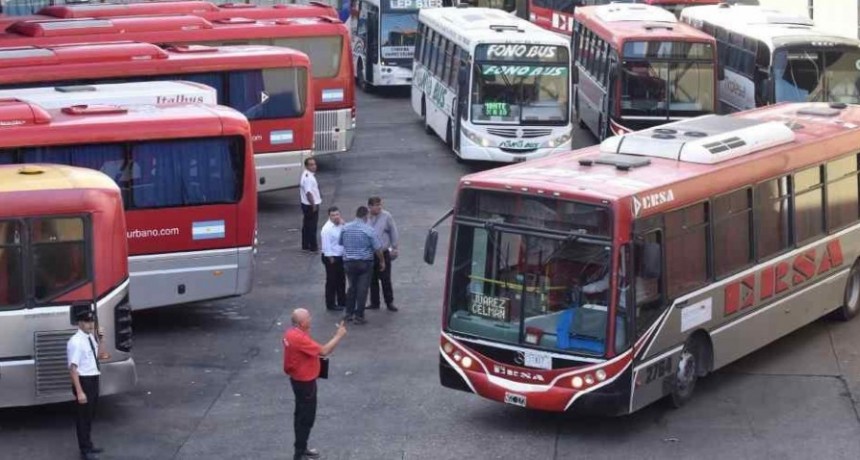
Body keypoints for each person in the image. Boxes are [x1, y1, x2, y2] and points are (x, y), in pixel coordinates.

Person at [283, 308, 347, 460]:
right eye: (308, 318)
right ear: (301, 323)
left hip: (298, 379)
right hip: (305, 383)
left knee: (300, 415)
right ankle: (299, 453)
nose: (310, 319)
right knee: (306, 418)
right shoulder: (299, 338)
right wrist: (338, 336)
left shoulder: (290, 333)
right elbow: (324, 351)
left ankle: (301, 448)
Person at [67, 309, 105, 460]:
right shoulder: (75, 342)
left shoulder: (90, 338)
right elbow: (73, 368)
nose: (90, 325)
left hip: (93, 378)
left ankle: (88, 444)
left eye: (92, 322)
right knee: (83, 417)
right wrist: (80, 391)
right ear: (80, 323)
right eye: (87, 322)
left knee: (90, 415)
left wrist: (101, 340)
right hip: (84, 381)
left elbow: (100, 356)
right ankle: (85, 451)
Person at [339, 206, 384, 324]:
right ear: (365, 216)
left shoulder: (345, 228)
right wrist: (382, 261)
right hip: (364, 263)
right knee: (362, 290)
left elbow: (341, 242)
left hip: (349, 262)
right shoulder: (368, 230)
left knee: (351, 287)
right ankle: (359, 316)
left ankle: (348, 313)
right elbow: (377, 248)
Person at [367, 196, 400, 312]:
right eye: (376, 205)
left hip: (383, 251)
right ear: (370, 207)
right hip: (370, 253)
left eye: (380, 205)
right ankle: (374, 302)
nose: (379, 207)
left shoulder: (387, 216)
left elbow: (393, 231)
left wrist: (395, 247)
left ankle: (389, 302)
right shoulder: (366, 217)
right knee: (372, 279)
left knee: (385, 279)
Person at [320, 206, 346, 311]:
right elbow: (326, 246)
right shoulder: (326, 229)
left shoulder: (340, 225)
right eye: (333, 215)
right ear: (329, 216)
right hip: (331, 258)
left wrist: (344, 224)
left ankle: (342, 301)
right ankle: (330, 304)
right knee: (332, 281)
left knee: (341, 280)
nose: (336, 217)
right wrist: (331, 260)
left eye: (337, 214)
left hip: (340, 256)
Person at [300, 157, 322, 252]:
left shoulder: (305, 174)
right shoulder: (309, 178)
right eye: (311, 165)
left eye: (314, 164)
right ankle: (313, 246)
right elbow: (309, 193)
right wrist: (313, 205)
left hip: (305, 204)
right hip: (310, 205)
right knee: (312, 226)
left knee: (306, 225)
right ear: (306, 166)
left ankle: (305, 244)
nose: (314, 166)